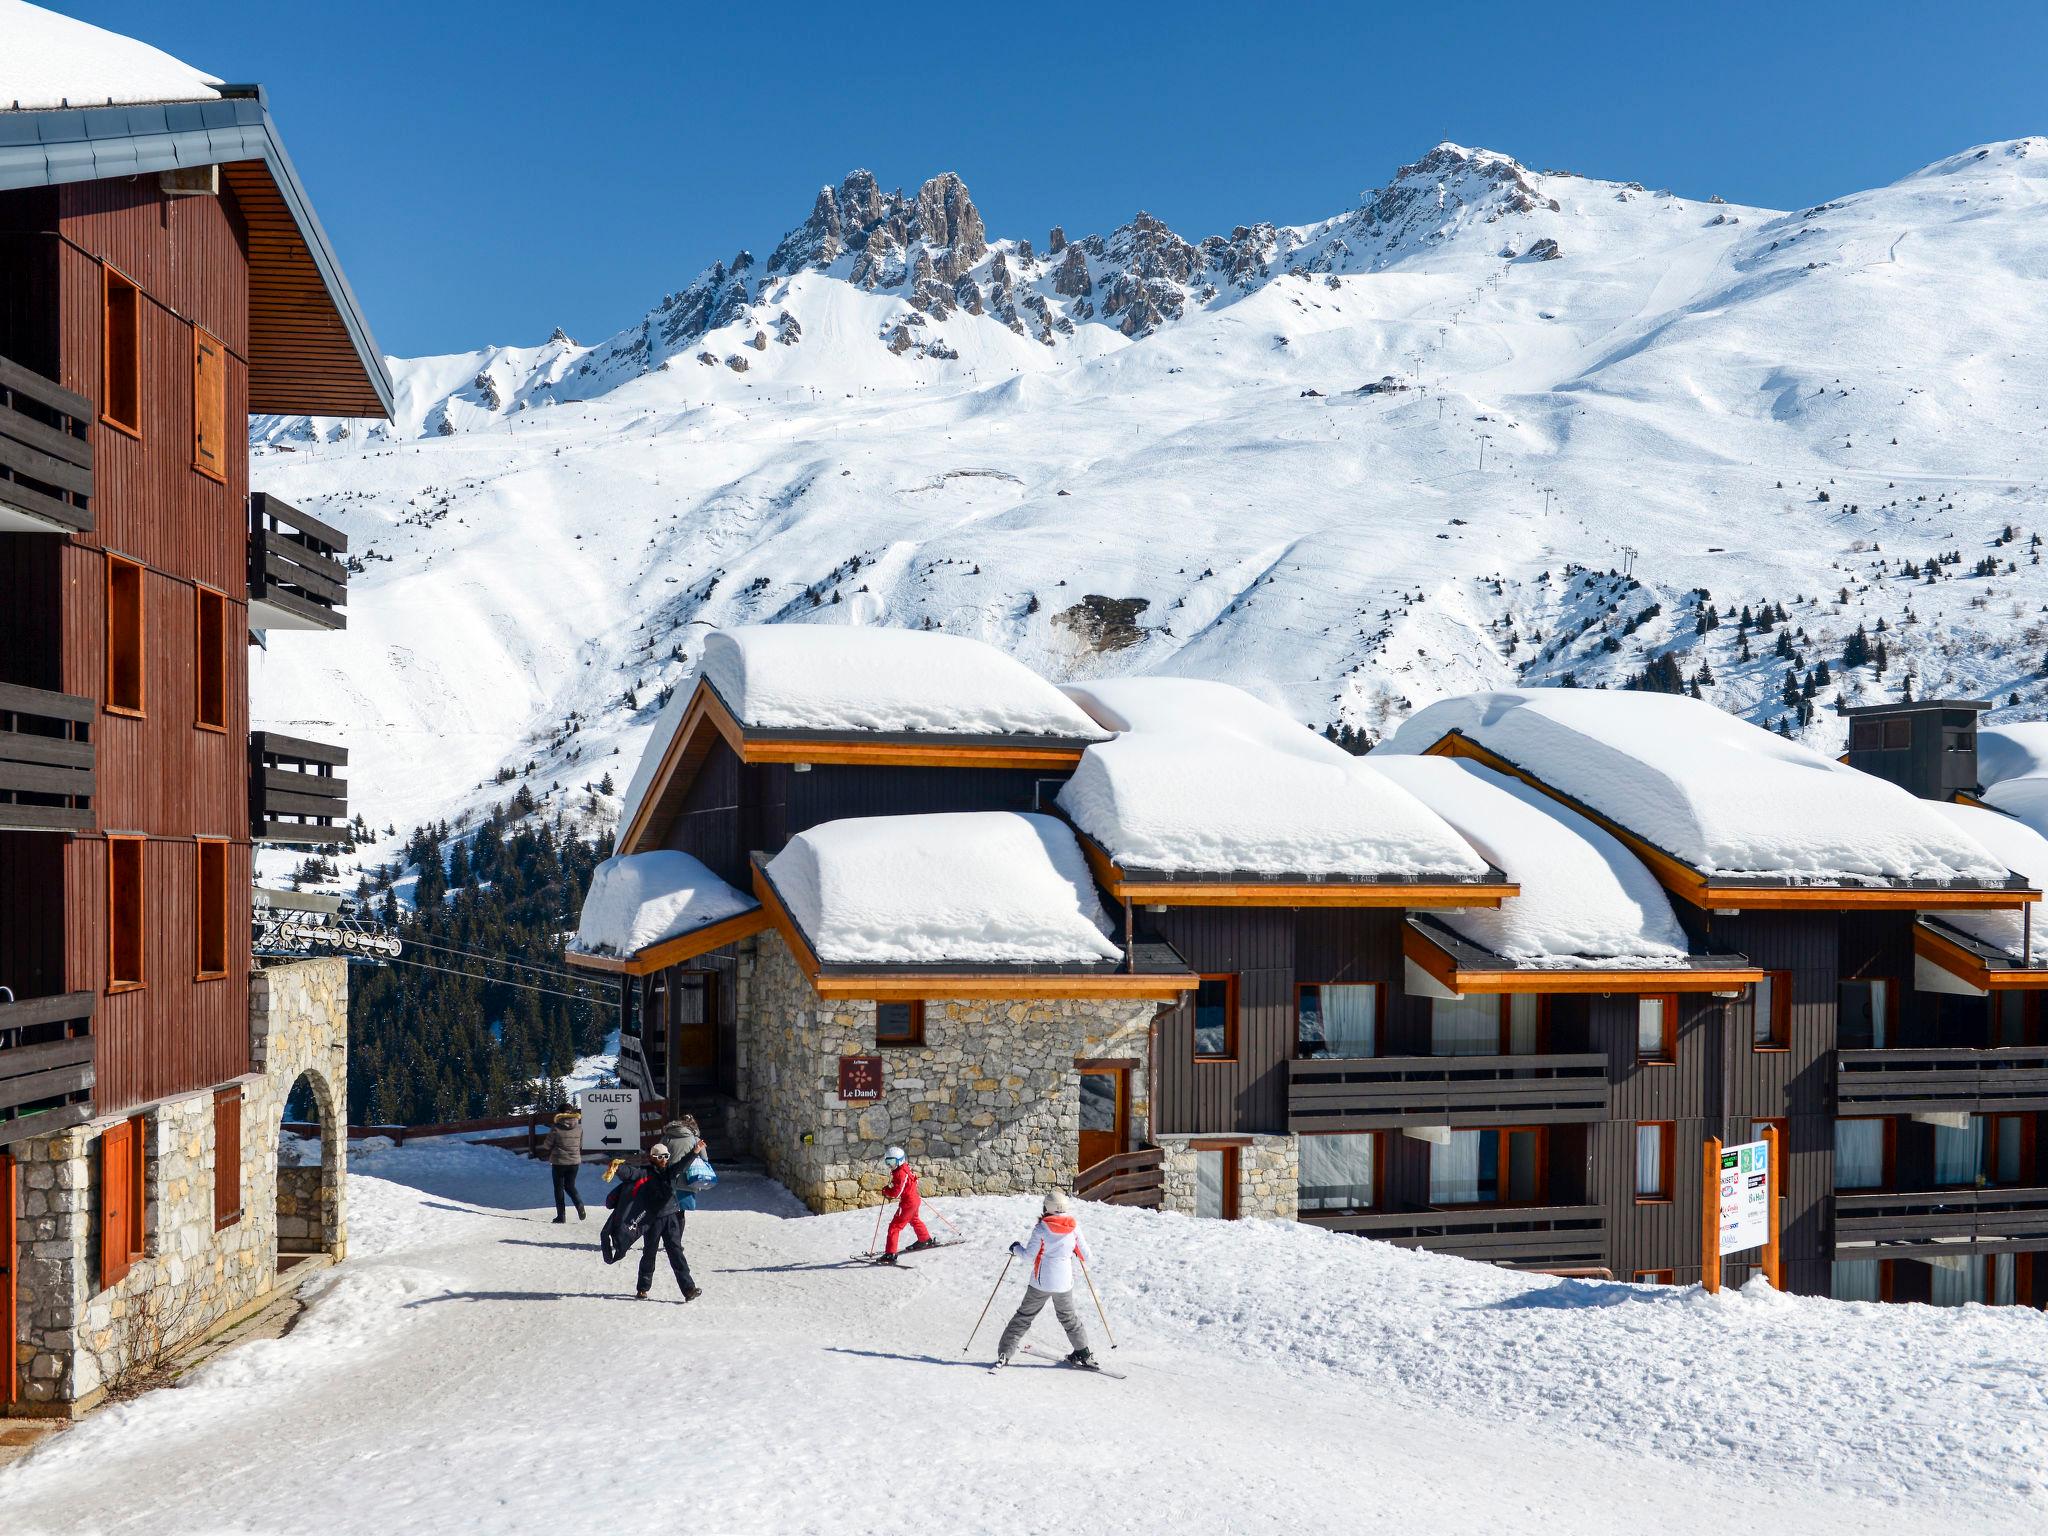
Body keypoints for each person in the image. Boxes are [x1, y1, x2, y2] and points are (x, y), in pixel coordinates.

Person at [991, 1190, 1094, 1369]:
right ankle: (1084, 1353)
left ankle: (1005, 1354)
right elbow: (1086, 1255)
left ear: (1047, 1207)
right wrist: (1073, 1250)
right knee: (1069, 1318)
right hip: (1064, 1283)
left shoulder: (1041, 1227)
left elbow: (1029, 1256)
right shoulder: (1073, 1226)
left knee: (1024, 1317)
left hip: (1041, 1282)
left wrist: (1016, 1248)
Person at [633, 1137, 707, 1302]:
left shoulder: (670, 1171)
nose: (664, 1160)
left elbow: (683, 1164)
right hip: (652, 1220)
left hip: (671, 1216)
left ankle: (689, 1289)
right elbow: (630, 1174)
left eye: (666, 1156)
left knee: (676, 1252)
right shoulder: (646, 1173)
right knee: (649, 1253)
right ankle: (642, 1288)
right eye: (660, 1157)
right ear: (652, 1157)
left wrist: (695, 1151)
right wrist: (617, 1168)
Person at [876, 1145, 935, 1263]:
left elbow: (897, 1193)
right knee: (914, 1220)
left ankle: (890, 1254)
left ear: (900, 1160)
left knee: (894, 1227)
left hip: (908, 1204)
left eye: (892, 1162)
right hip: (914, 1200)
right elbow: (914, 1180)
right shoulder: (905, 1168)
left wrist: (887, 1190)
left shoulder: (900, 1174)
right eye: (887, 1162)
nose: (889, 1165)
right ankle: (925, 1239)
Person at [537, 1105, 586, 1222]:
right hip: (574, 1162)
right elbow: (581, 1145)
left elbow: (547, 1145)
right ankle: (579, 1204)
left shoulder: (556, 1128)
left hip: (559, 1162)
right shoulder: (579, 1128)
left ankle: (561, 1216)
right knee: (570, 1186)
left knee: (558, 1188)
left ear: (559, 1114)